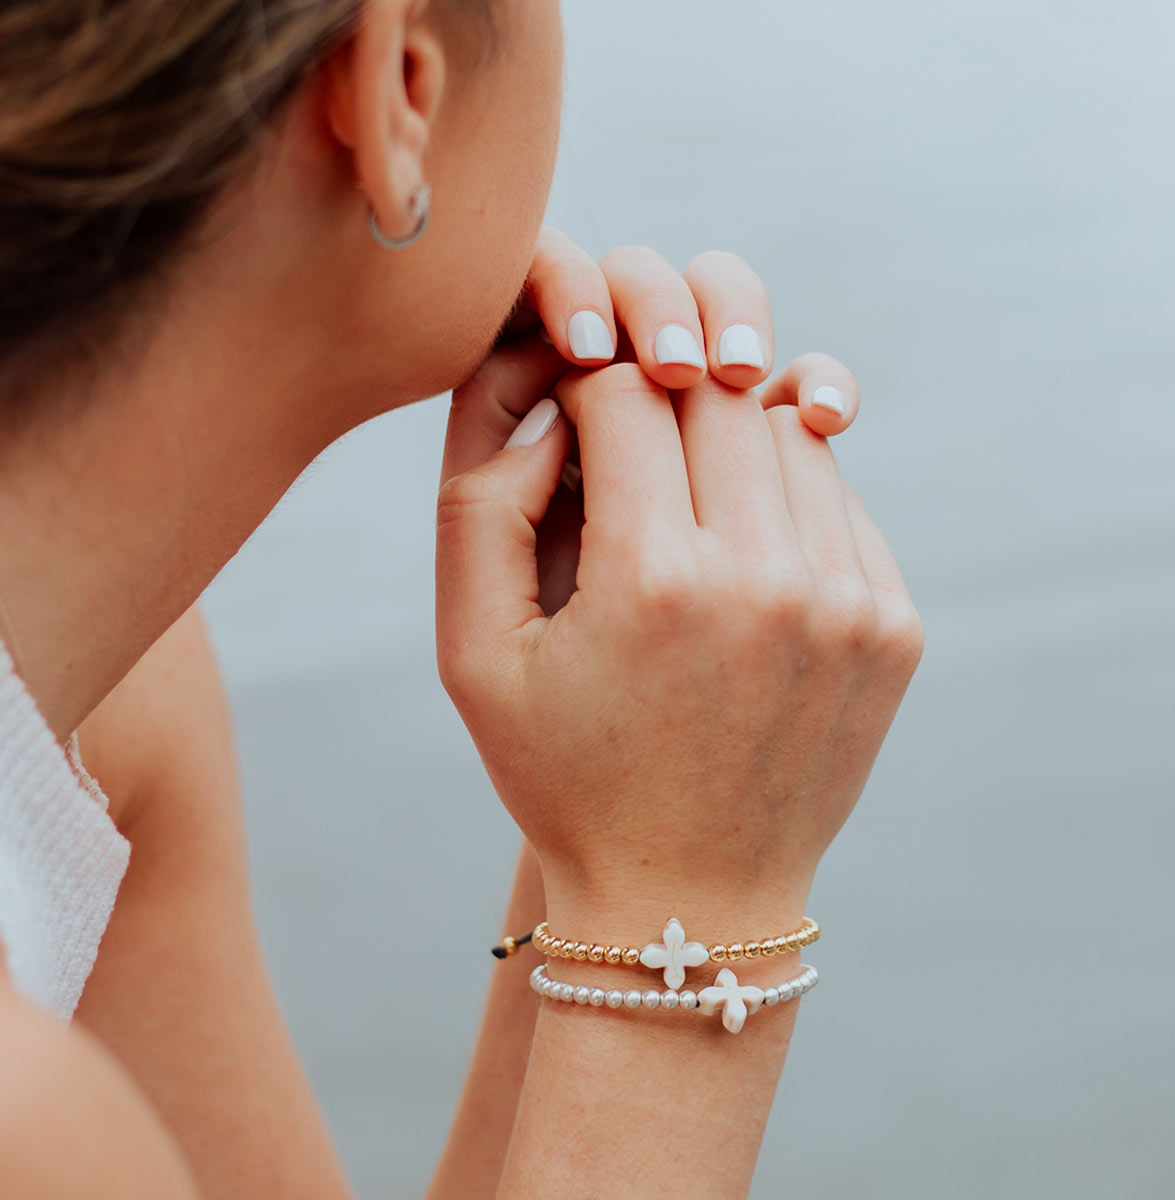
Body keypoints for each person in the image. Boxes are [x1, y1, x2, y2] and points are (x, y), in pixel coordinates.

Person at [0, 1, 924, 1195]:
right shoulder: (30, 1125)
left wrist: (626, 801)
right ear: (396, 91)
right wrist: (694, 908)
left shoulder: (108, 709)